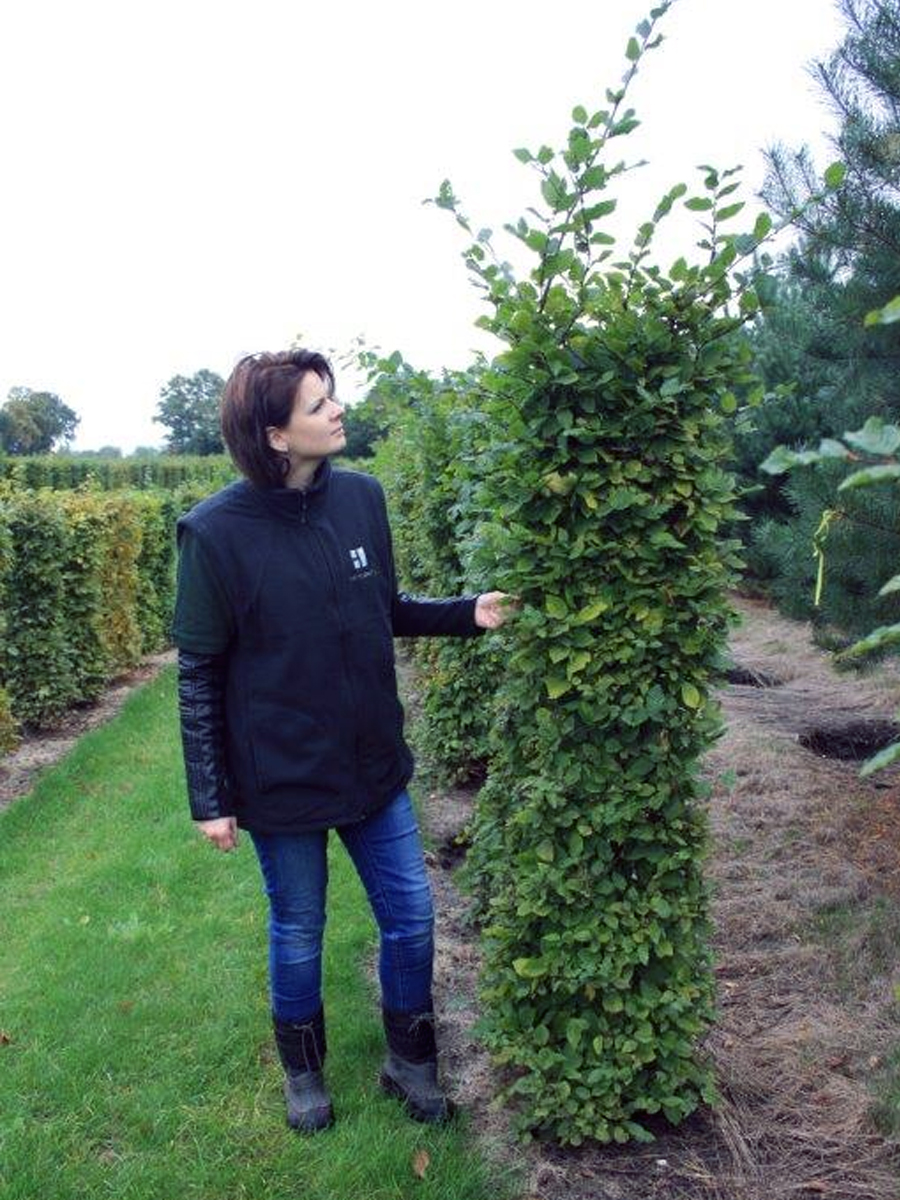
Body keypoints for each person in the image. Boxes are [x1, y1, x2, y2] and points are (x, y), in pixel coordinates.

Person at [171, 349, 512, 1134]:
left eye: (332, 396)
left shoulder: (361, 498)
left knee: (412, 914)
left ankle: (411, 1062)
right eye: (318, 403)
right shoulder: (215, 534)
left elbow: (381, 605)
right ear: (276, 436)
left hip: (372, 766)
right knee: (298, 928)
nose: (337, 410)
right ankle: (303, 1074)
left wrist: (467, 612)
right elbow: (197, 674)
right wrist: (210, 798)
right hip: (283, 777)